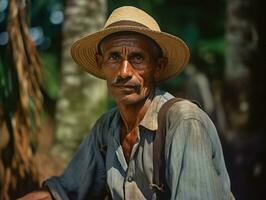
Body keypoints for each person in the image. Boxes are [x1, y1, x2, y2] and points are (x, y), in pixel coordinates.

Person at [19, 6, 234, 200]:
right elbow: (64, 191)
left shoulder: (184, 122)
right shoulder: (107, 128)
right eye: (113, 57)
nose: (123, 72)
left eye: (137, 58)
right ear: (100, 63)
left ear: (158, 67)